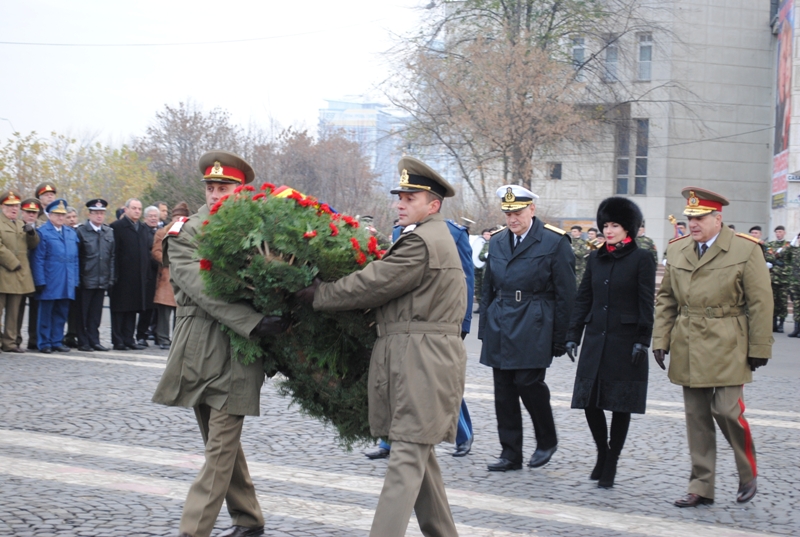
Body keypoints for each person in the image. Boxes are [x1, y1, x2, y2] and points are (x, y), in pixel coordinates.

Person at [298, 156, 467, 537]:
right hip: (418, 356)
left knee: (406, 459)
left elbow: (372, 283)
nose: (399, 204)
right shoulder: (427, 236)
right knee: (419, 458)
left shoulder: (423, 242)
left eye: (409, 198)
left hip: (422, 361)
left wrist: (319, 294)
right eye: (400, 197)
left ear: (433, 205)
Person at [153, 151, 287, 537]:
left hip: (242, 354)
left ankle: (192, 531)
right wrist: (255, 320)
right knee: (220, 443)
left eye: (224, 187)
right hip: (201, 349)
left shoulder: (261, 232)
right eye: (211, 188)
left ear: (240, 190)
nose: (215, 194)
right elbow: (202, 288)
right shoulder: (185, 232)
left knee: (220, 448)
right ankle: (248, 517)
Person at [653, 187, 772, 507]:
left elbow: (761, 302)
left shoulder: (745, 250)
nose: (693, 223)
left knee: (727, 411)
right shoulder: (678, 249)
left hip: (729, 340)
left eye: (700, 217)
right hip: (688, 341)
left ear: (718, 219)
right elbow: (666, 299)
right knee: (697, 417)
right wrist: (660, 339)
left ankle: (748, 473)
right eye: (690, 217)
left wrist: (760, 346)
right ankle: (701, 486)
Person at [480, 185, 576, 472]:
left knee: (528, 383)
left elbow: (566, 293)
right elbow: (488, 287)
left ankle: (547, 439)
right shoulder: (497, 241)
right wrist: (485, 328)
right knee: (504, 390)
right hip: (501, 320)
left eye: (518, 212)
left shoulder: (553, 242)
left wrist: (562, 337)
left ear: (532, 210)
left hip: (534, 321)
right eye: (508, 213)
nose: (512, 218)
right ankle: (510, 453)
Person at [367, 213, 475, 460]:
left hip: (438, 323)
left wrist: (463, 321)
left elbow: (465, 280)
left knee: (441, 384)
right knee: (394, 384)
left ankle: (463, 435)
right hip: (401, 322)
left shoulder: (453, 233)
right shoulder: (399, 232)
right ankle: (389, 442)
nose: (401, 206)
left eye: (410, 198)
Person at [565, 197, 655, 488]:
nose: (609, 230)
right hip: (595, 338)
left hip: (625, 341)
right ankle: (602, 452)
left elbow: (646, 304)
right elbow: (584, 298)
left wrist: (643, 340)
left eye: (615, 224)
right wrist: (572, 334)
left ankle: (612, 460)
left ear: (627, 227)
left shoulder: (642, 258)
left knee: (620, 404)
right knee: (589, 401)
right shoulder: (595, 258)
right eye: (605, 225)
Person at [30, 199, 79, 354]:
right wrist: (40, 280)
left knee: (61, 312)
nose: (60, 217)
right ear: (49, 215)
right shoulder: (43, 233)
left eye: (62, 215)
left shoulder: (70, 233)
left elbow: (75, 259)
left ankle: (56, 340)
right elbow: (38, 259)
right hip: (50, 278)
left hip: (67, 279)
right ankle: (44, 342)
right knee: (46, 313)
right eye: (56, 214)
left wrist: (75, 280)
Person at [109, 199, 151, 351]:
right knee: (119, 310)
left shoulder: (143, 228)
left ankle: (129, 338)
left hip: (138, 277)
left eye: (139, 209)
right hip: (121, 276)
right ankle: (118, 340)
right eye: (134, 208)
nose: (137, 211)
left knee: (132, 310)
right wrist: (114, 275)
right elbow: (113, 253)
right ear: (126, 210)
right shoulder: (117, 227)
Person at [0, 191, 39, 353]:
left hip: (18, 275)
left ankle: (10, 343)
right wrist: (13, 262)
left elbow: (33, 245)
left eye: (16, 206)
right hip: (3, 273)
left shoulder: (19, 224)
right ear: (2, 207)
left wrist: (31, 233)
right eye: (10, 206)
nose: (13, 209)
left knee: (14, 313)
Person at [75, 199, 115, 352]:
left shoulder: (108, 232)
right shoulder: (81, 231)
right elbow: (78, 257)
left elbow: (112, 256)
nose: (99, 216)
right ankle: (83, 340)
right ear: (89, 214)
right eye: (96, 213)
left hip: (101, 278)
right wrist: (78, 278)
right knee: (83, 313)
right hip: (86, 278)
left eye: (102, 213)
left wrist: (110, 277)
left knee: (95, 314)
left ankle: (94, 339)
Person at [151, 202, 190, 350]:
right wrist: (168, 261)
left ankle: (177, 338)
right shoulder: (162, 232)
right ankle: (162, 338)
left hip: (182, 276)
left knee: (180, 311)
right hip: (166, 276)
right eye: (177, 217)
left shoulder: (188, 233)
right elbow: (156, 252)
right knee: (164, 310)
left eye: (182, 218)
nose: (179, 220)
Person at [16, 198, 43, 350]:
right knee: (17, 308)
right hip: (20, 272)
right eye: (28, 212)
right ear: (23, 212)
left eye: (34, 212)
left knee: (36, 308)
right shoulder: (16, 226)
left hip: (36, 273)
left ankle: (34, 339)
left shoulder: (42, 228)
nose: (31, 215)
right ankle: (15, 338)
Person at [135, 205, 161, 346]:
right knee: (146, 308)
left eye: (155, 216)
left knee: (157, 309)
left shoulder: (161, 232)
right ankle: (141, 334)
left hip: (160, 275)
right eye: (150, 216)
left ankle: (156, 333)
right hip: (147, 275)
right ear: (145, 218)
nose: (153, 218)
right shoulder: (141, 231)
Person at [765, 225, 792, 333]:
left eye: (780, 232)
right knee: (773, 301)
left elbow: (789, 258)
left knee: (783, 302)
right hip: (773, 278)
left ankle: (781, 323)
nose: (778, 234)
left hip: (784, 279)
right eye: (776, 232)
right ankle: (774, 323)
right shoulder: (771, 245)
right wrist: (776, 261)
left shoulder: (789, 245)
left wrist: (776, 260)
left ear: (784, 233)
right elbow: (769, 256)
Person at [63, 206, 82, 347]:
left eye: (73, 217)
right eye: (68, 217)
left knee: (75, 310)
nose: (71, 220)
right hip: (63, 276)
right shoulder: (63, 233)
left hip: (79, 276)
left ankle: (72, 334)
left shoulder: (79, 232)